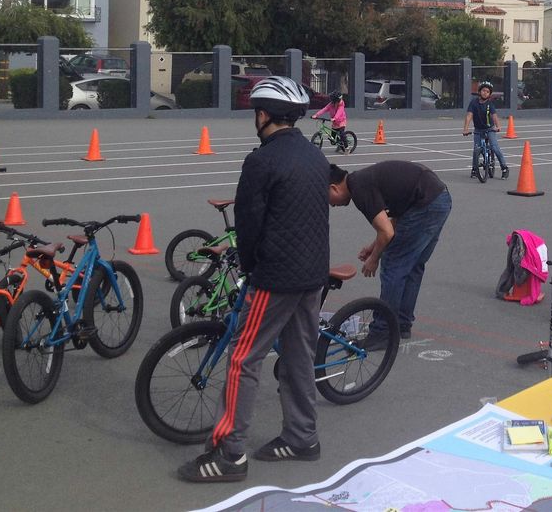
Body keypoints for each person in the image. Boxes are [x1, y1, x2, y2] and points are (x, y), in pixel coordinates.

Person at [179, 76, 330, 484]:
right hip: (313, 276)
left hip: (276, 277)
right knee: (299, 355)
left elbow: (248, 225)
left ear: (263, 115)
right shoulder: (315, 157)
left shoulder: (261, 161)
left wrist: (248, 268)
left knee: (244, 358)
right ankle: (302, 438)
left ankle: (230, 454)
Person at [328, 160, 451, 347]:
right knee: (413, 265)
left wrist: (374, 258)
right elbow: (392, 221)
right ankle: (401, 323)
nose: (331, 205)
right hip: (438, 198)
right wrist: (373, 246)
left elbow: (387, 232)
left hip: (426, 203)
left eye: (328, 199)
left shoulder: (360, 189)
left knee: (393, 264)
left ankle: (383, 331)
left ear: (334, 188)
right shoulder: (361, 180)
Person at [462, 81, 509, 180]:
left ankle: (504, 168)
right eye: (483, 90)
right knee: (476, 149)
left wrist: (498, 126)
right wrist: (466, 128)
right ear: (479, 91)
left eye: (487, 92)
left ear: (489, 94)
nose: (485, 93)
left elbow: (494, 115)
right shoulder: (473, 102)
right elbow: (469, 115)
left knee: (494, 147)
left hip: (490, 129)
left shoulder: (489, 104)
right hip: (478, 129)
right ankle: (474, 169)